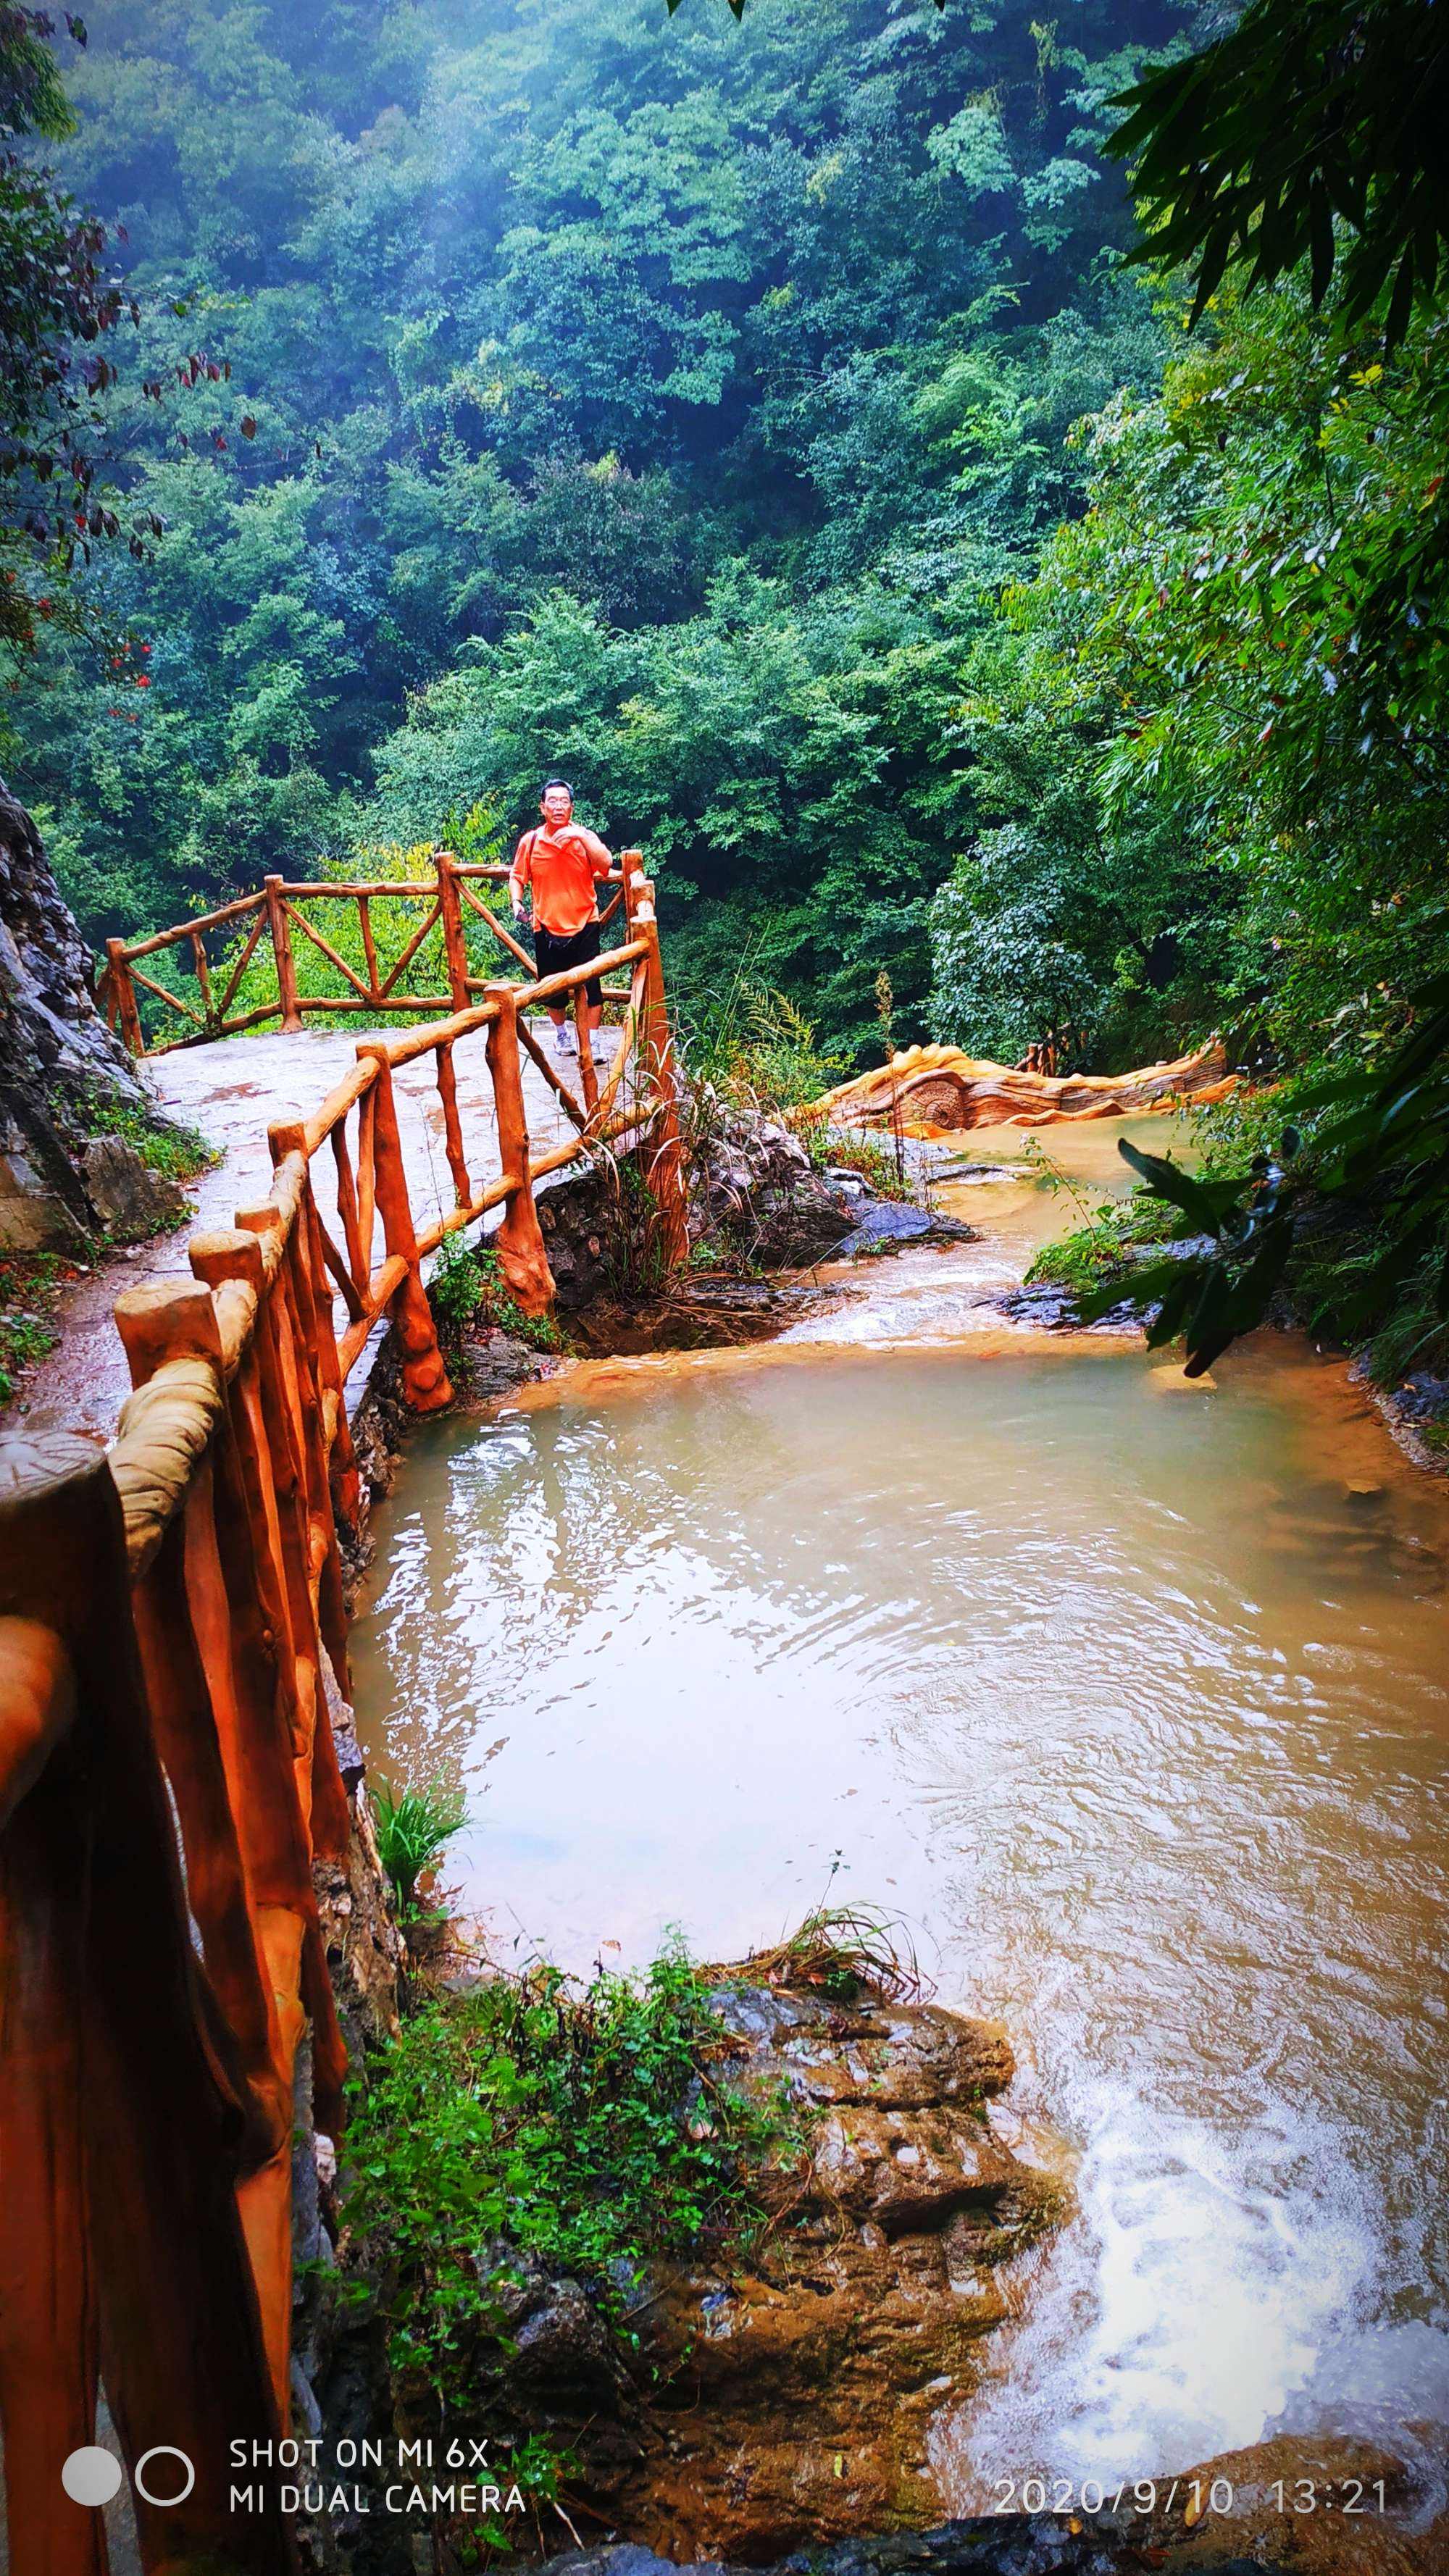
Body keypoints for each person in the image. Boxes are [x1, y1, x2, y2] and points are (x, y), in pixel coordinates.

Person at [509, 778, 614, 1059]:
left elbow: (606, 865)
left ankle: (593, 1043)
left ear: (572, 807)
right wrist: (516, 902)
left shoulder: (585, 837)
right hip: (545, 924)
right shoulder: (531, 842)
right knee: (551, 989)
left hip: (585, 921)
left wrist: (579, 837)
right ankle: (562, 1035)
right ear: (542, 807)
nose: (558, 806)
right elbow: (517, 876)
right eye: (552, 801)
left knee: (592, 986)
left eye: (564, 801)